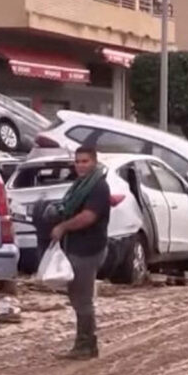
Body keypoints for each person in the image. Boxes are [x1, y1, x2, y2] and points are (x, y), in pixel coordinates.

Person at [50, 145, 111, 360]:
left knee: (82, 298)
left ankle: (86, 345)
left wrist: (63, 227)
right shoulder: (81, 185)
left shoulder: (98, 187)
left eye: (85, 161)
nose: (80, 165)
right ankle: (85, 342)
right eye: (77, 161)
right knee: (78, 297)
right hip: (77, 247)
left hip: (88, 249)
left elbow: (88, 217)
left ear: (94, 161)